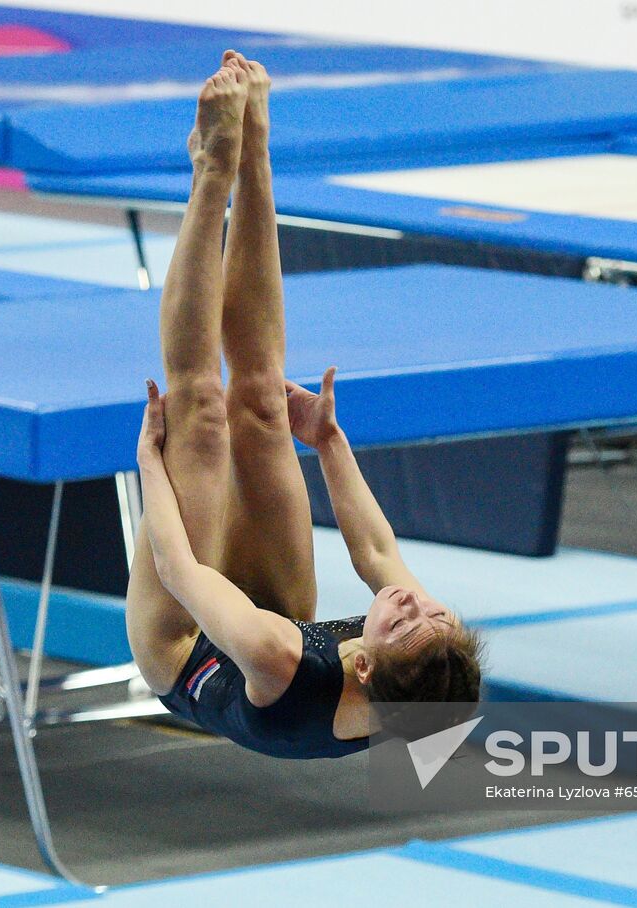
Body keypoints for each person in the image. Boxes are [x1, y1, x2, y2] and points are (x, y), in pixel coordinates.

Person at [128, 51, 483, 758]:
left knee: (197, 407)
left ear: (362, 663)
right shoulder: (427, 661)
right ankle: (253, 147)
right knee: (260, 399)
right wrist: (328, 443)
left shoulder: (276, 655)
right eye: (435, 611)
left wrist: (150, 465)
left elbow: (181, 571)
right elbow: (376, 551)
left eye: (405, 620)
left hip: (183, 643)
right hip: (278, 613)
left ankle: (209, 172)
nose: (415, 601)